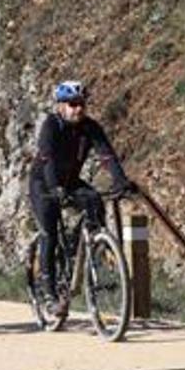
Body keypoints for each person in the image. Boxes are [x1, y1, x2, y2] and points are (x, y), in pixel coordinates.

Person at [29, 80, 134, 311]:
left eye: (82, 104)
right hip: (44, 183)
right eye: (72, 104)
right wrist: (55, 188)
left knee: (95, 200)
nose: (78, 108)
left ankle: (94, 246)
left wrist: (121, 181)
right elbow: (46, 159)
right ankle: (49, 294)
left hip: (70, 181)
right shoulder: (51, 125)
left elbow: (106, 156)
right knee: (50, 233)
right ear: (60, 106)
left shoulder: (90, 127)